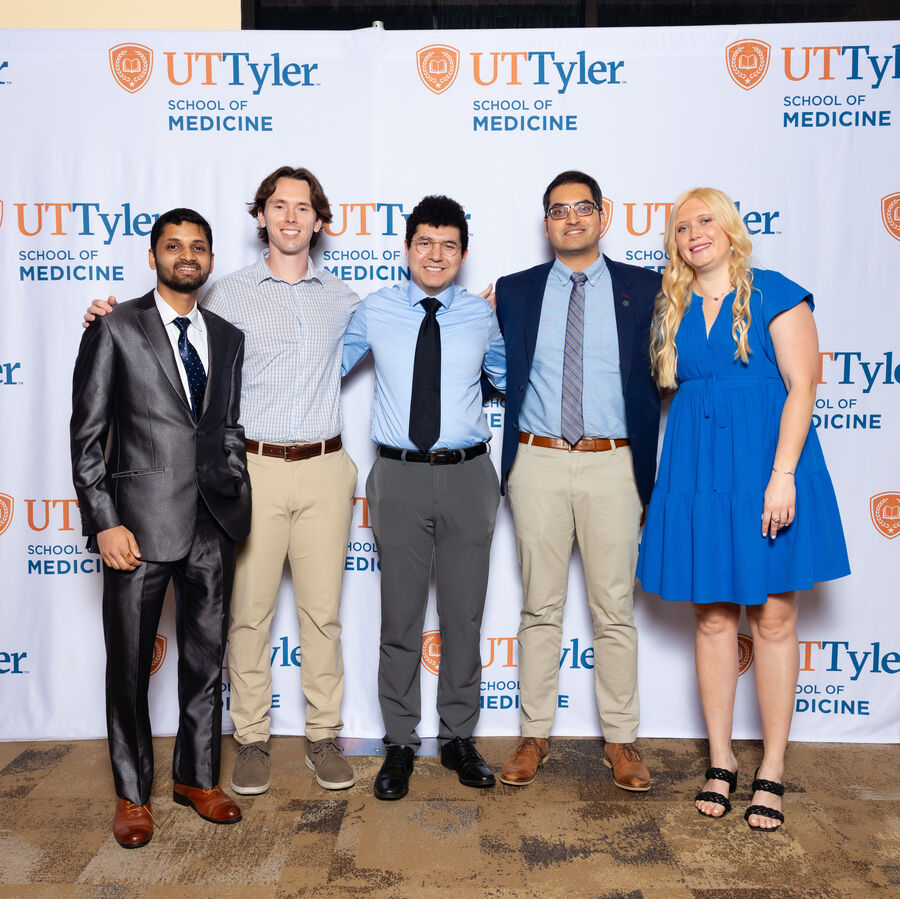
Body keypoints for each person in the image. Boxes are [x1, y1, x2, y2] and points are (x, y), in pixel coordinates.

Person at [83, 167, 361, 797]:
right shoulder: (223, 295)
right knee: (246, 617)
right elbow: (156, 331)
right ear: (260, 216)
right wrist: (101, 316)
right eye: (278, 205)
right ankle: (253, 738)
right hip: (248, 474)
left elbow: (407, 332)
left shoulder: (348, 300)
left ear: (320, 221)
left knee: (323, 616)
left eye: (303, 207)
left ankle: (323, 735)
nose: (291, 217)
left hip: (324, 465)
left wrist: (472, 311)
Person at [636, 187, 850, 831]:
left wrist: (782, 476)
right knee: (712, 621)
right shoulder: (670, 306)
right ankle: (722, 762)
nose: (693, 233)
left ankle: (774, 768)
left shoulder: (776, 290)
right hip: (698, 472)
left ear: (730, 229)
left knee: (775, 620)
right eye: (681, 227)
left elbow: (803, 387)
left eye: (705, 221)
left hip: (766, 468)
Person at [71, 209, 250, 848]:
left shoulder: (227, 335)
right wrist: (104, 523)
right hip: (137, 529)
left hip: (213, 524)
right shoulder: (116, 327)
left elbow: (225, 426)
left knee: (206, 663)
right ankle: (131, 794)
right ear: (153, 256)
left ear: (209, 258)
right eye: (173, 246)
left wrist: (235, 496)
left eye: (198, 247)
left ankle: (197, 779)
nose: (187, 256)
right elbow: (88, 436)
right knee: (127, 665)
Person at [494, 171, 661, 792]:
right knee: (540, 607)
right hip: (536, 461)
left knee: (613, 610)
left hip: (614, 463)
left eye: (582, 208)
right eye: (558, 210)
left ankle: (622, 740)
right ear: (546, 223)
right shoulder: (513, 292)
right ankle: (534, 734)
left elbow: (670, 369)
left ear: (603, 214)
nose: (571, 219)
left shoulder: (647, 287)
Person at [342, 196, 506, 800]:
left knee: (464, 616)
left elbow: (510, 379)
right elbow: (316, 366)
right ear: (407, 247)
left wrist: (509, 324)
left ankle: (459, 737)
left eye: (449, 245)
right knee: (400, 617)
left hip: (467, 474)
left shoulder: (481, 316)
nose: (436, 255)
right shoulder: (374, 310)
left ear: (462, 254)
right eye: (424, 243)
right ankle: (400, 743)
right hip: (400, 475)